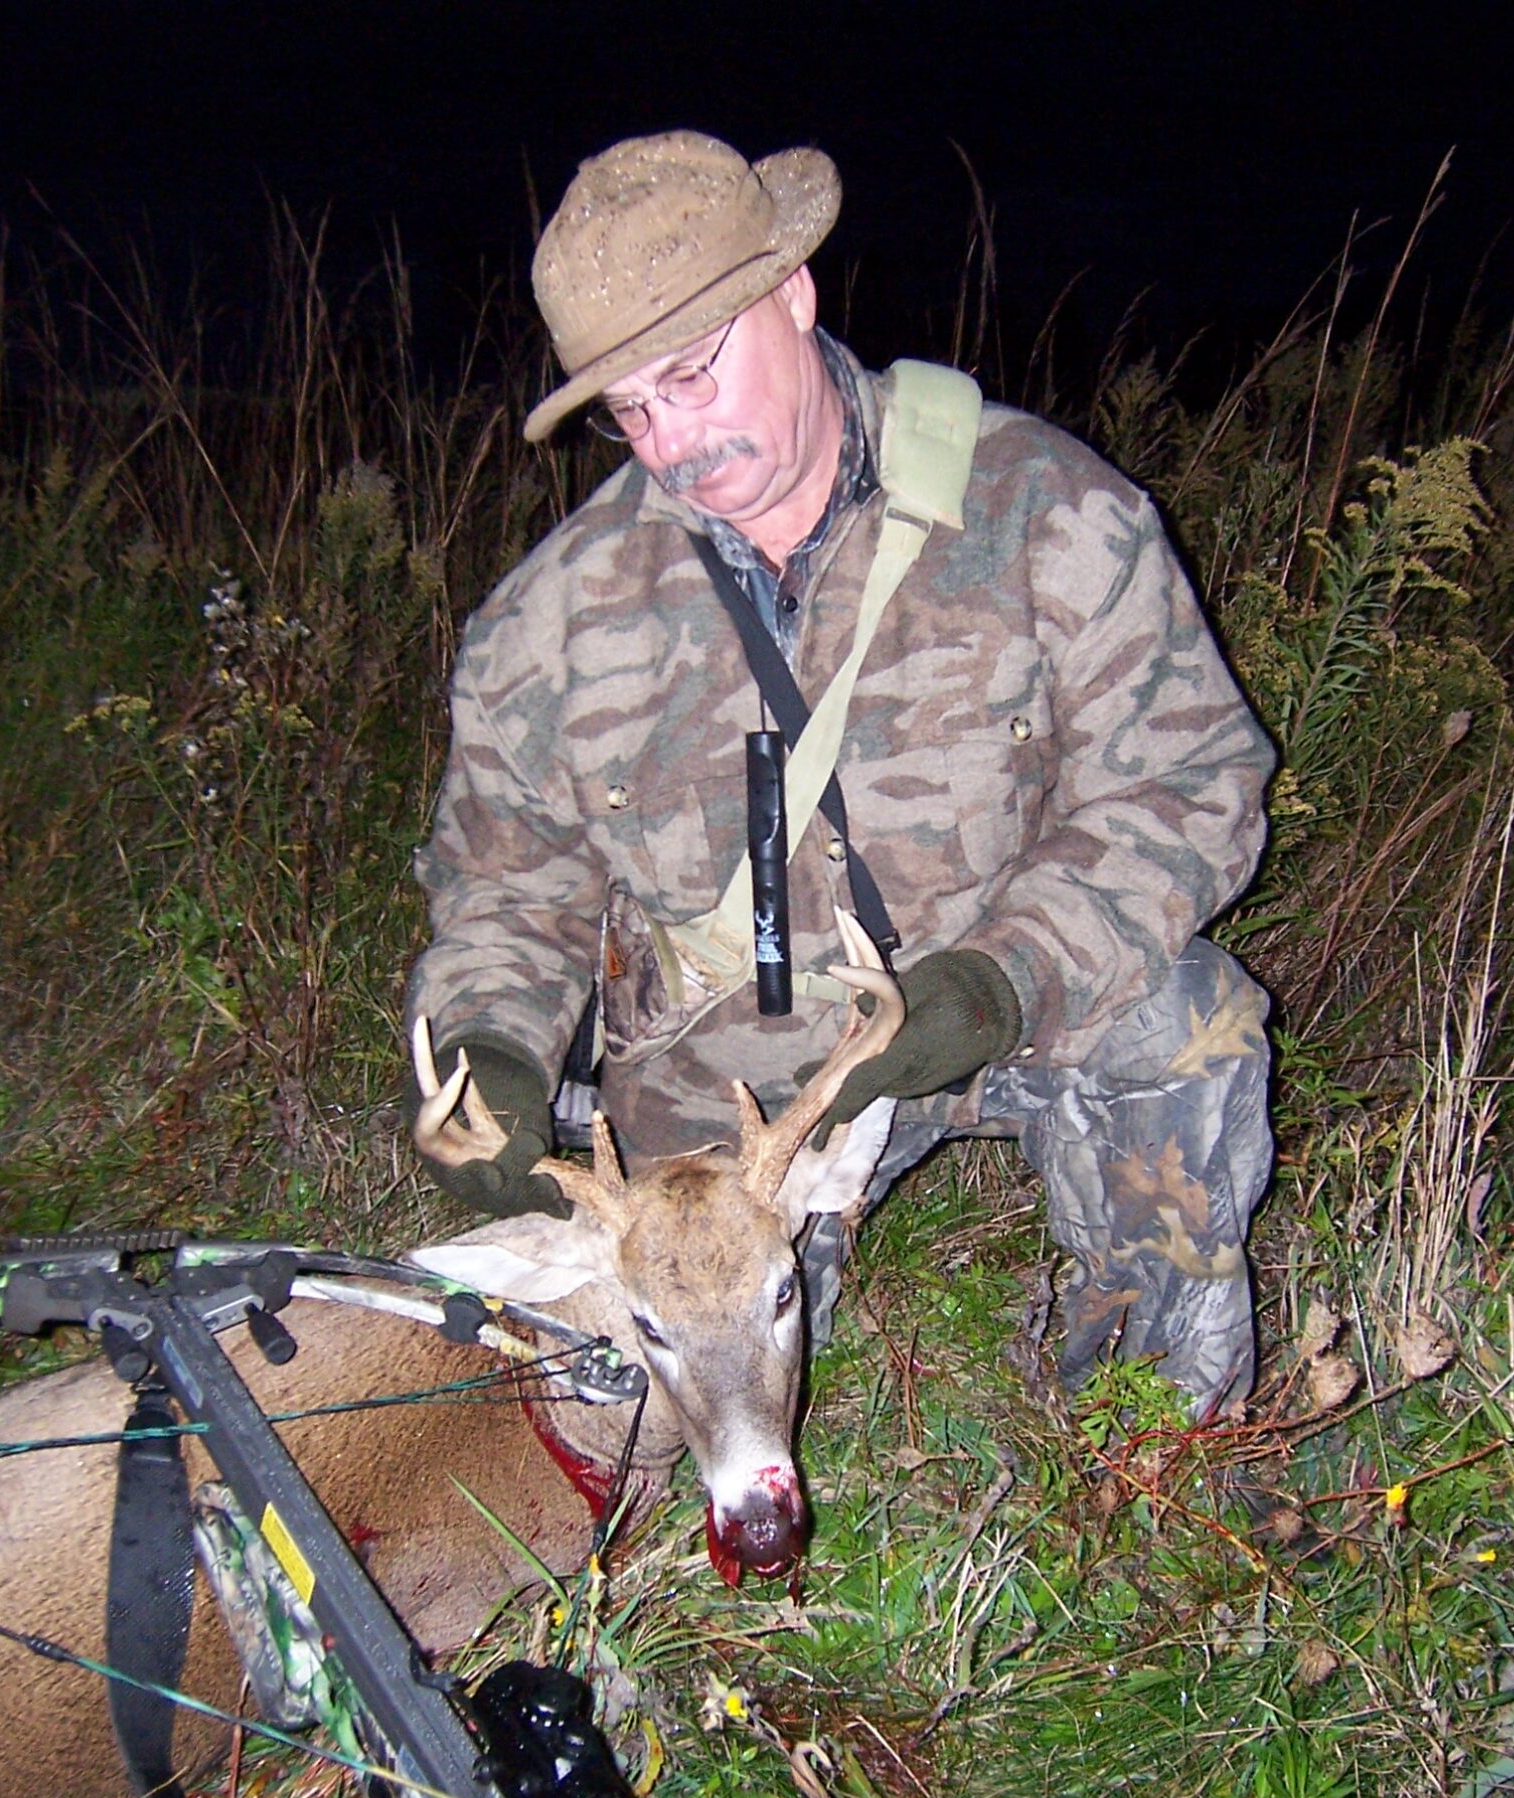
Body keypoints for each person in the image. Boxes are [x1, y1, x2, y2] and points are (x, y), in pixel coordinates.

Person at [405, 131, 1277, 1415]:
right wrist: (497, 1051)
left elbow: (1189, 783)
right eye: (629, 408)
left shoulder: (1044, 509)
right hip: (736, 1097)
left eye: (693, 376)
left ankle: (1152, 1434)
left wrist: (999, 979)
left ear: (792, 298)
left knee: (1190, 1020)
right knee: (626, 1425)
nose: (673, 440)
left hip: (995, 993)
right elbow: (502, 891)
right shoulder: (552, 624)